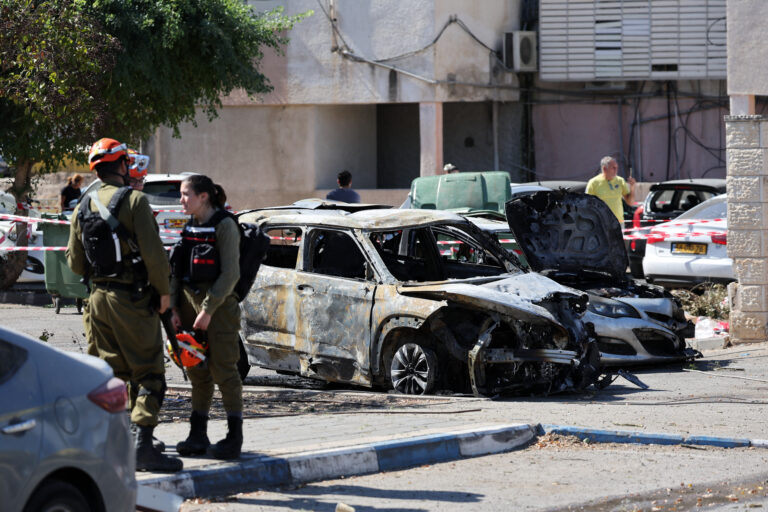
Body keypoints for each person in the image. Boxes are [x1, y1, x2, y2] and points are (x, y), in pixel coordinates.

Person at [66, 137, 182, 473]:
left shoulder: (81, 205)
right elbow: (155, 256)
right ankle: (142, 446)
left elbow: (75, 264)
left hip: (97, 302)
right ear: (122, 165)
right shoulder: (134, 201)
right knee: (148, 373)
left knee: (109, 375)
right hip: (131, 299)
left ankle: (114, 444)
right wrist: (164, 294)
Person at [170, 174, 244, 460]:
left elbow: (231, 274)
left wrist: (208, 310)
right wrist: (175, 307)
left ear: (204, 196)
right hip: (189, 308)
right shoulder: (190, 226)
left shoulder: (224, 225)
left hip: (219, 310)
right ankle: (197, 434)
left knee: (224, 371)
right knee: (196, 371)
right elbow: (177, 268)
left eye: (186, 194)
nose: (182, 200)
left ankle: (233, 437)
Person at [586, 156, 636, 225]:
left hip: (618, 223)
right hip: (601, 223)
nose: (616, 170)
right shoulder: (593, 183)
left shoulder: (620, 181)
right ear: (604, 169)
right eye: (613, 168)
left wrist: (632, 187)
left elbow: (630, 203)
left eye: (617, 168)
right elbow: (587, 205)